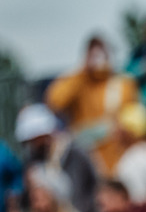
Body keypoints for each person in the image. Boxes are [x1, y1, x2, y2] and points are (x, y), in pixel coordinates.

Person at [46, 35, 140, 175]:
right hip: (86, 159)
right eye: (93, 55)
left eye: (102, 53)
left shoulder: (124, 84)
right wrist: (82, 71)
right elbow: (54, 101)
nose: (98, 59)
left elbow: (137, 120)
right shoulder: (79, 81)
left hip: (118, 158)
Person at [15, 103, 99, 212]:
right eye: (31, 141)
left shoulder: (75, 154)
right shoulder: (32, 163)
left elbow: (90, 189)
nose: (35, 144)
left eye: (38, 139)